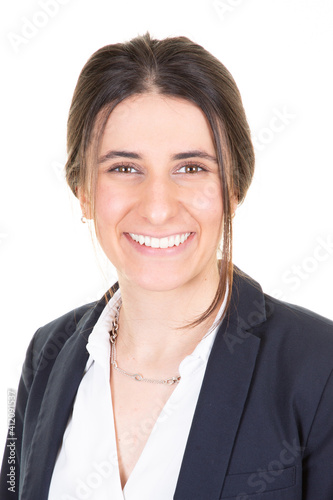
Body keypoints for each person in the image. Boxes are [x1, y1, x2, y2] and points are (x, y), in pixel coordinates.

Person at [1, 32, 333, 500]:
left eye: (191, 168)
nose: (158, 208)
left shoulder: (319, 366)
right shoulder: (47, 355)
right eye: (124, 168)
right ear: (83, 191)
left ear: (234, 187)